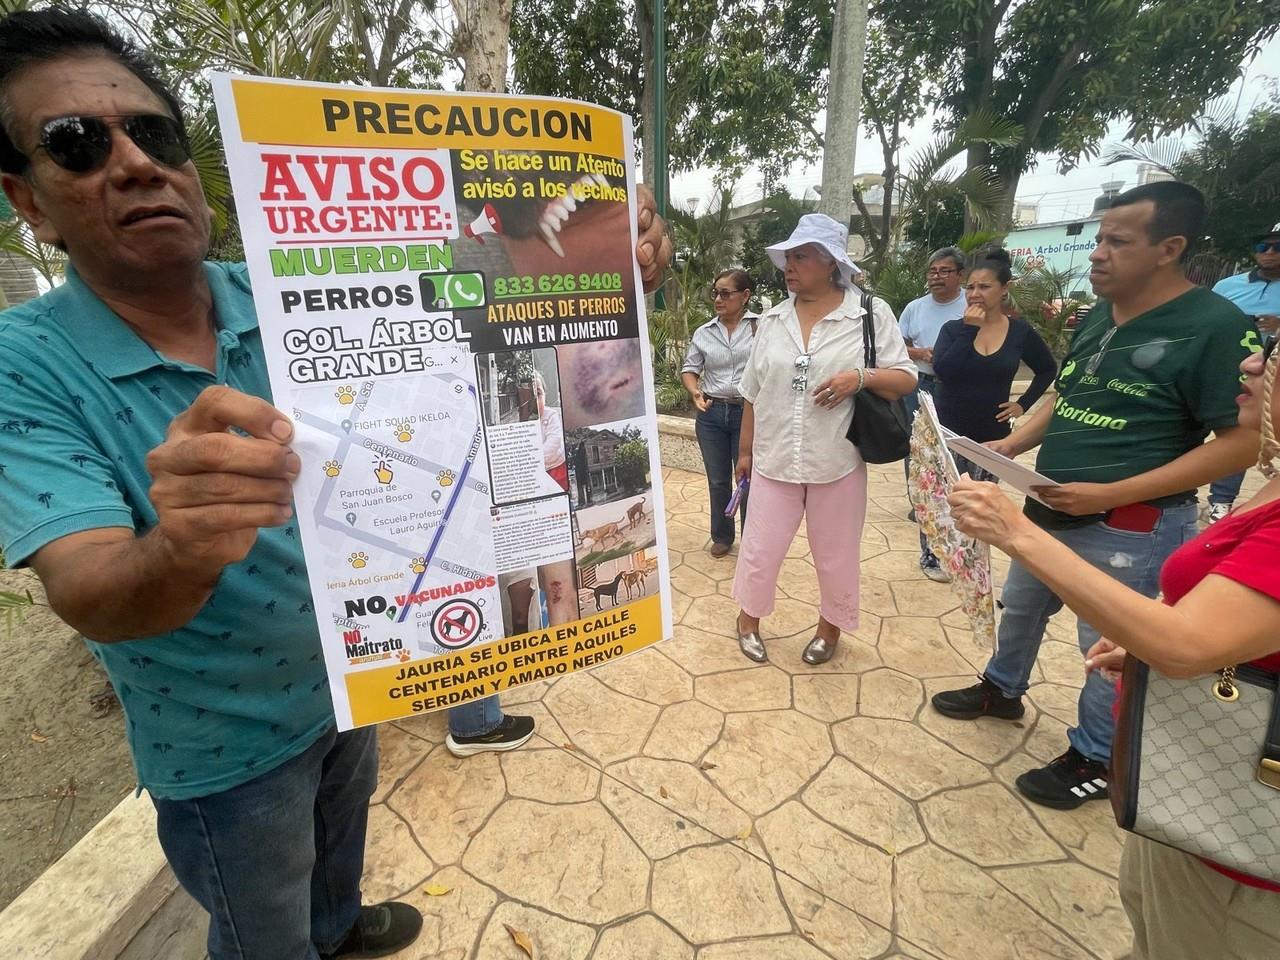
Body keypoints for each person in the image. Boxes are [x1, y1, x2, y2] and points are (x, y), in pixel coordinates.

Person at [0, 11, 673, 959]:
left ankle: (343, 929)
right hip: (225, 752)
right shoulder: (22, 365)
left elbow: (489, 317)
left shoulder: (274, 290)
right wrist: (178, 545)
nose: (135, 163)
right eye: (76, 143)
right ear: (25, 200)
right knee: (262, 931)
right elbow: (88, 589)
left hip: (359, 678)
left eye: (154, 134)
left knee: (337, 861)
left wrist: (612, 265)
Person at [947, 336, 1280, 959]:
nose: (1252, 362)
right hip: (1194, 800)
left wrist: (1017, 532)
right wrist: (1161, 644)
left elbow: (1186, 644)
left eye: (1277, 353)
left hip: (1245, 851)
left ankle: (1092, 758)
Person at [929, 182, 1259, 810]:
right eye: (1098, 239)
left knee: (1107, 645)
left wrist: (1112, 490)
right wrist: (1011, 448)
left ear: (1170, 248)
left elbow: (1242, 441)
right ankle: (1002, 689)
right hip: (1050, 505)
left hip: (1129, 523)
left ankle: (1099, 755)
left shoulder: (1214, 327)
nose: (1097, 253)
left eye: (1118, 240)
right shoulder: (1100, 317)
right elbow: (1064, 395)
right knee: (1021, 609)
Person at [732, 214, 915, 664]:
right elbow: (752, 391)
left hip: (838, 459)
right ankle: (747, 619)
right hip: (774, 460)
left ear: (831, 263)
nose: (789, 266)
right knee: (760, 550)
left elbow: (906, 379)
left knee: (835, 555)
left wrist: (860, 376)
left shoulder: (869, 313)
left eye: (801, 256)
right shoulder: (773, 320)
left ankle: (829, 629)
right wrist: (744, 452)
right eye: (788, 257)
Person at [930, 247, 1057, 477]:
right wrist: (969, 331)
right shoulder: (953, 330)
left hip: (993, 436)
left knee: (981, 504)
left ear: (1005, 288)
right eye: (970, 287)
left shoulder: (1020, 332)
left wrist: (1023, 404)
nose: (975, 293)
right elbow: (943, 371)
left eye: (984, 287)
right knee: (945, 505)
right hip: (949, 433)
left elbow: (1047, 370)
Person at [899, 247, 968, 580]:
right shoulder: (915, 308)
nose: (936, 277)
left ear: (960, 275)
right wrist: (918, 351)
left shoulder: (972, 304)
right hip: (920, 383)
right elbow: (897, 344)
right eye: (932, 271)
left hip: (958, 387)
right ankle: (920, 501)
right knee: (918, 448)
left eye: (944, 271)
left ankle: (954, 506)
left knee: (955, 449)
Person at [1204, 221, 1280, 522]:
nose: (1270, 253)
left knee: (1251, 433)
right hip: (1226, 368)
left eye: (1278, 248)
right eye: (1264, 247)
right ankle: (1220, 501)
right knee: (1231, 432)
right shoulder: (1227, 287)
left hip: (1272, 377)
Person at [681, 268, 755, 557]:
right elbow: (690, 369)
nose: (718, 299)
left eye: (726, 293)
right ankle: (722, 535)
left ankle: (753, 539)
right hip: (711, 415)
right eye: (716, 293)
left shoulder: (760, 328)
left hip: (748, 415)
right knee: (718, 480)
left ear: (745, 295)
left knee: (748, 481)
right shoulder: (704, 332)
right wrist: (695, 391)